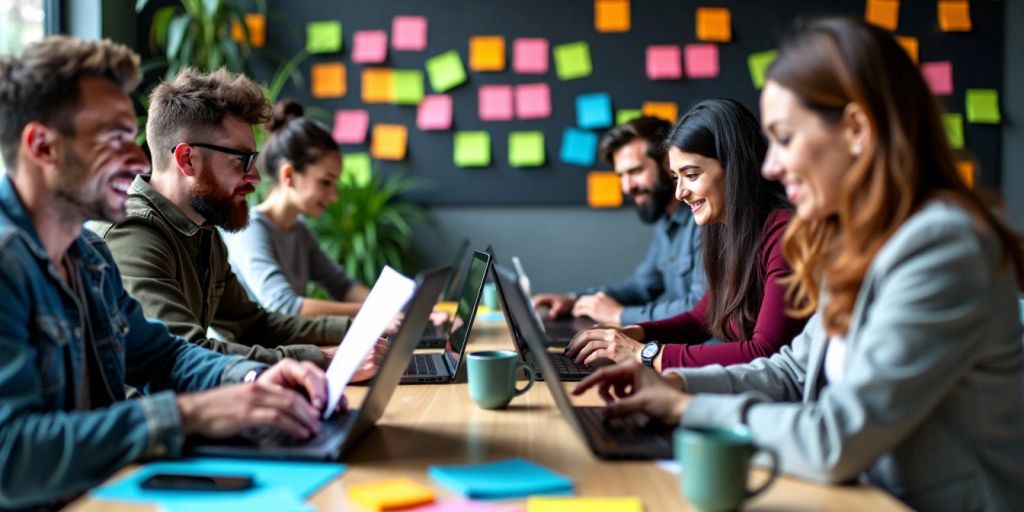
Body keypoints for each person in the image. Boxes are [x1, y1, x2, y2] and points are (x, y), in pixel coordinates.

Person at [573, 18, 1024, 511]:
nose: (769, 166)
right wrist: (675, 383)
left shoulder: (941, 247)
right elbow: (792, 370)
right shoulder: (855, 238)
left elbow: (835, 439)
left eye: (784, 138)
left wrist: (688, 406)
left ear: (856, 129)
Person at [0, 36, 335, 509]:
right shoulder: (7, 263)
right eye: (114, 138)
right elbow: (10, 458)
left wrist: (249, 379)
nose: (138, 160)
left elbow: (162, 357)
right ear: (43, 146)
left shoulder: (89, 257)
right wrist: (191, 414)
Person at [95, 67, 379, 375]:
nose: (256, 178)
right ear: (186, 159)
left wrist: (361, 330)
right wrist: (321, 359)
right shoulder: (131, 234)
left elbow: (254, 325)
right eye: (241, 160)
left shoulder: (203, 229)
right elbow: (185, 355)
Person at [566, 99, 805, 371]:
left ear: (735, 166)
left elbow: (765, 351)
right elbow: (699, 318)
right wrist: (635, 333)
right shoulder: (723, 229)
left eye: (690, 175)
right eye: (676, 177)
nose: (680, 192)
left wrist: (644, 353)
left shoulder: (784, 233)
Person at [532, 117, 706, 326]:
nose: (627, 187)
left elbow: (700, 309)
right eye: (620, 176)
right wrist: (575, 300)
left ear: (668, 162)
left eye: (635, 171)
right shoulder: (666, 221)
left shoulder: (705, 219)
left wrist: (619, 316)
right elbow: (640, 287)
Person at [221, 100, 370, 318]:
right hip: (255, 352)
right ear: (288, 175)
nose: (334, 196)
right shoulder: (250, 230)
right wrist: (374, 313)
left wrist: (400, 310)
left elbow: (343, 286)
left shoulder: (299, 230)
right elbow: (284, 307)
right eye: (325, 182)